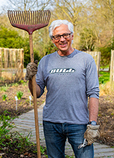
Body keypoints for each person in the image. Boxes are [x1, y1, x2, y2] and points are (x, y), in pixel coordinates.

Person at [26, 20, 100, 158]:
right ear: (52, 40)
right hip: (51, 123)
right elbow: (37, 93)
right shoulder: (45, 61)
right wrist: (31, 79)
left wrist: (93, 124)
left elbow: (93, 93)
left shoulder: (85, 59)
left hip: (79, 124)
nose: (62, 39)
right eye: (57, 36)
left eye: (65, 35)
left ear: (72, 36)